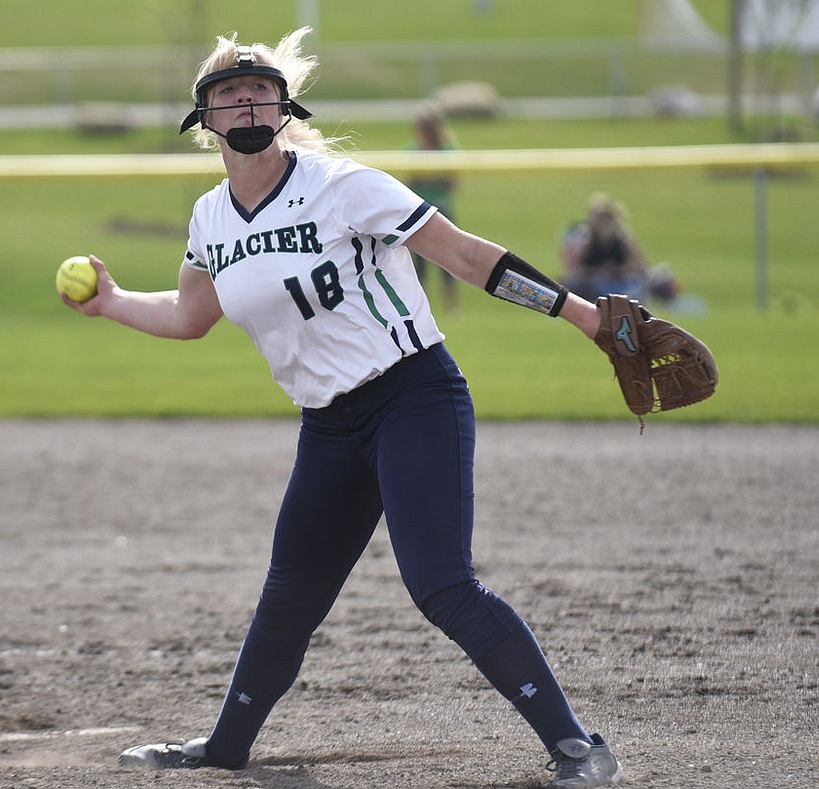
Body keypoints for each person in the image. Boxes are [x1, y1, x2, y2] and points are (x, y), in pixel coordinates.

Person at [60, 28, 623, 789]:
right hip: (328, 424)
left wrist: (585, 316)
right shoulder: (210, 220)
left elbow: (463, 255)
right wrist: (117, 302)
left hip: (412, 396)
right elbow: (192, 315)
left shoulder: (341, 185)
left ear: (285, 104)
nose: (246, 101)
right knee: (288, 596)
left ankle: (578, 746)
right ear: (205, 121)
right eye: (228, 93)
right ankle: (224, 747)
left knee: (441, 584)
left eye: (259, 89)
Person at [405, 102, 461, 315]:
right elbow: (408, 182)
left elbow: (452, 183)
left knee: (449, 259)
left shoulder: (447, 150)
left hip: (442, 208)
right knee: (419, 262)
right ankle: (422, 304)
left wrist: (431, 177)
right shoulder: (413, 149)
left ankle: (451, 304)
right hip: (419, 208)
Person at [560, 192, 650, 303]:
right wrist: (596, 272)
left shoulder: (622, 237)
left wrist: (617, 271)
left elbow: (641, 266)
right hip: (592, 283)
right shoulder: (586, 237)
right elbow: (573, 270)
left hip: (619, 281)